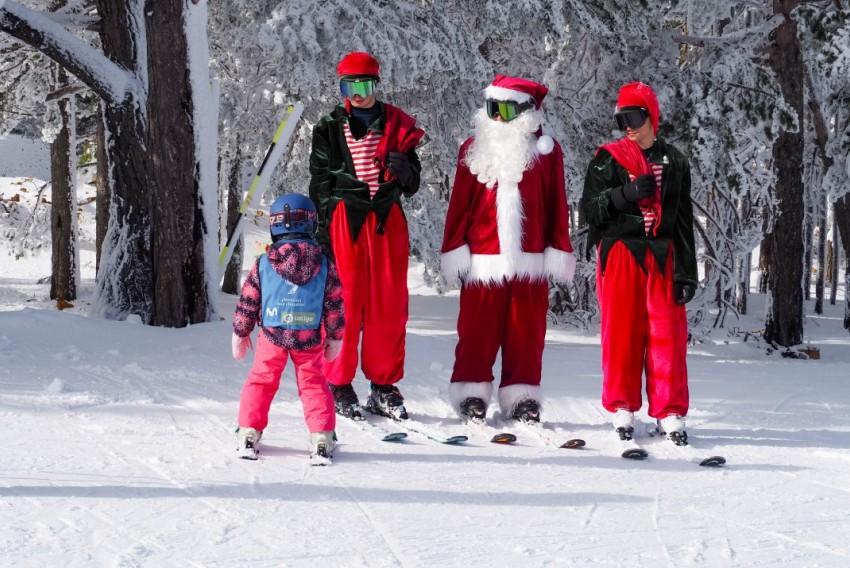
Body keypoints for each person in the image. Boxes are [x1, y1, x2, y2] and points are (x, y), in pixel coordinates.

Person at [440, 74, 576, 424]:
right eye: (491, 108)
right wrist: (454, 246)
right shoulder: (472, 148)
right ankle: (472, 393)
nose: (496, 117)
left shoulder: (548, 152)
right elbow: (459, 204)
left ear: (526, 113)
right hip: (482, 259)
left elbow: (556, 203)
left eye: (503, 109)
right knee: (476, 331)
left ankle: (522, 396)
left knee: (527, 333)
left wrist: (558, 247)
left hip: (530, 259)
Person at [308, 51, 425, 422]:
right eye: (349, 86)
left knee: (388, 305)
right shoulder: (328, 126)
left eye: (364, 85)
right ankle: (338, 383)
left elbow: (413, 186)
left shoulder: (398, 124)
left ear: (376, 83)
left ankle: (383, 386)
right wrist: (323, 231)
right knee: (346, 301)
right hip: (345, 220)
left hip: (386, 220)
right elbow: (320, 182)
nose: (357, 94)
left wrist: (406, 172)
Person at [581, 81, 698, 446]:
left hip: (663, 255)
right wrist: (622, 195)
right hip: (620, 252)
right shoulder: (608, 158)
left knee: (668, 335)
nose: (627, 127)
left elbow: (681, 220)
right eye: (620, 120)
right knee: (621, 333)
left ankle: (669, 411)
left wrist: (686, 274)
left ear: (650, 116)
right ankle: (621, 406)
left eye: (632, 117)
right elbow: (589, 209)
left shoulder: (675, 162)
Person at [231, 193, 345, 463]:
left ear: (275, 225)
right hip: (310, 337)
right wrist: (335, 337)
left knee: (261, 380)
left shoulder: (263, 263)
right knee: (314, 383)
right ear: (311, 225)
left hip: (272, 335)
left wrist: (241, 330)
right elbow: (335, 303)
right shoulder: (325, 264)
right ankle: (322, 436)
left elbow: (249, 301)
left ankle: (248, 431)